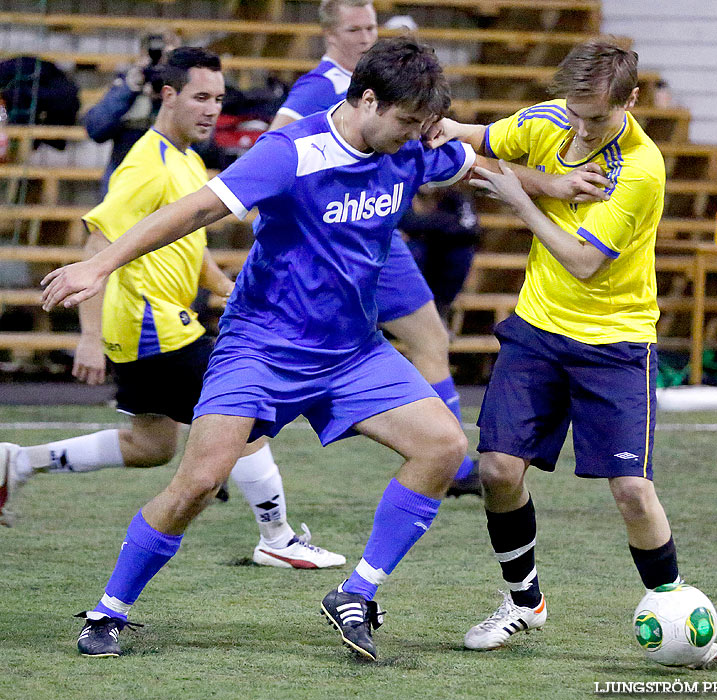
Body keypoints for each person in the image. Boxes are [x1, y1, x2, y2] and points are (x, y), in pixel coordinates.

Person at [40, 38, 475, 662]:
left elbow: (481, 159)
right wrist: (102, 265)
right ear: (369, 99)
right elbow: (194, 211)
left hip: (351, 351)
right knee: (198, 483)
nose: (414, 136)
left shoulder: (406, 148)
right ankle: (110, 610)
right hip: (261, 348)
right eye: (406, 122)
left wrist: (557, 182)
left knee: (444, 444)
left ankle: (357, 593)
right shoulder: (289, 153)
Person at [426, 40, 717, 668]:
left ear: (630, 100)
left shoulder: (640, 168)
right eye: (575, 112)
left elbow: (585, 262)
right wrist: (440, 125)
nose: (582, 128)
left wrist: (523, 199)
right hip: (537, 328)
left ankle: (676, 610)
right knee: (499, 471)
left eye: (596, 117)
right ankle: (523, 602)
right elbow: (483, 135)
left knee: (632, 492)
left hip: (614, 343)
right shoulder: (550, 119)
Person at [0, 48, 345, 576]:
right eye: (201, 98)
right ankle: (277, 537)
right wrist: (88, 336)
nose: (212, 110)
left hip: (154, 326)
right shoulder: (146, 162)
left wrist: (225, 284)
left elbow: (191, 243)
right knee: (245, 411)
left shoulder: (185, 157)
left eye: (219, 99)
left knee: (151, 444)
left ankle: (19, 462)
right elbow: (96, 241)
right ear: (168, 96)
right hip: (150, 326)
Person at [270, 0, 481, 497]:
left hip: (380, 240)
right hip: (342, 242)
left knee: (431, 340)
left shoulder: (388, 88)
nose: (366, 36)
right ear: (329, 34)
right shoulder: (320, 88)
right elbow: (277, 147)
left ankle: (454, 463)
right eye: (354, 28)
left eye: (371, 26)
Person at [85, 31, 182, 196]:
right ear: (143, 54)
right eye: (155, 54)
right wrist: (129, 89)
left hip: (171, 179)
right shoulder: (129, 85)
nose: (160, 62)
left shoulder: (185, 88)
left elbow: (202, 143)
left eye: (167, 56)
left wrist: (173, 95)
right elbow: (96, 129)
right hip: (125, 179)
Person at [399, 188, 480, 323]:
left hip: (439, 261)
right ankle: (403, 315)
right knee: (410, 250)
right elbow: (404, 221)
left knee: (462, 251)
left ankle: (438, 313)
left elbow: (471, 230)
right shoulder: (401, 191)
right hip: (415, 260)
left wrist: (421, 225)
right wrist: (448, 222)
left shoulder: (456, 195)